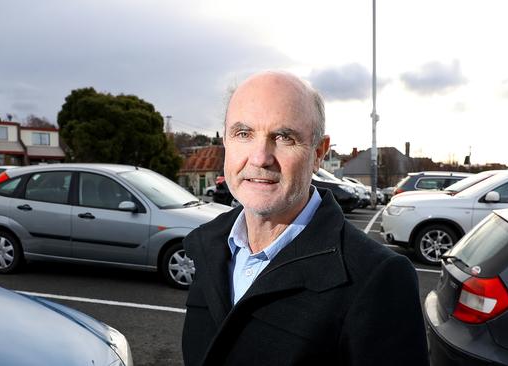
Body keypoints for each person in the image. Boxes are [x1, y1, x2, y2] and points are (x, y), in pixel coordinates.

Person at [182, 71, 429, 366]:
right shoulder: (209, 246)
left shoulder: (376, 277)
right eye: (244, 134)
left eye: (284, 137)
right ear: (226, 140)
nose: (260, 157)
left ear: (318, 153)